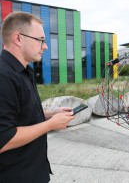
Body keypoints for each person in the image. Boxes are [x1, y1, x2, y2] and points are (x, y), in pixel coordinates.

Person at [0, 11, 75, 183]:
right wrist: (50, 124)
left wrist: (50, 114)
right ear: (18, 38)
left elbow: (19, 114)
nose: (45, 46)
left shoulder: (24, 71)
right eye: (40, 39)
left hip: (34, 172)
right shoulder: (3, 76)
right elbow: (4, 138)